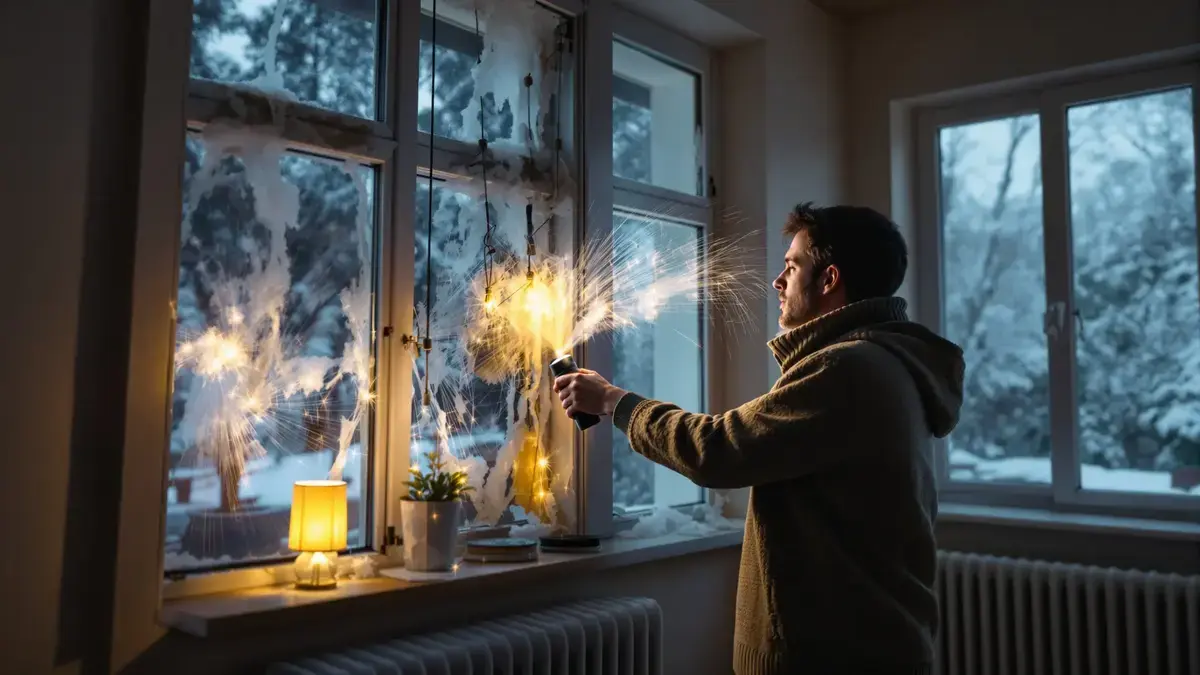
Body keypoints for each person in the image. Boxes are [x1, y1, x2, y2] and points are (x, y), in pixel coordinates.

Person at [553, 202, 965, 675]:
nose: (778, 282)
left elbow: (719, 450)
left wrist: (614, 402)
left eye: (792, 266)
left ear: (829, 280)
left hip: (834, 655)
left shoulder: (848, 368)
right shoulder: (882, 363)